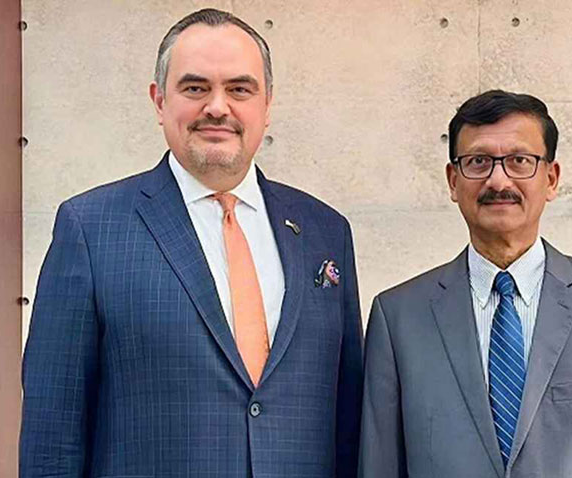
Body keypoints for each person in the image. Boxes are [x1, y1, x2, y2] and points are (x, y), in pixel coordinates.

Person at [20, 9, 363, 477]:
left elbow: (350, 423)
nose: (218, 107)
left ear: (267, 105)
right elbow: (51, 438)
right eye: (196, 88)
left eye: (239, 89)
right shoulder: (91, 229)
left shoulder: (325, 231)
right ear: (159, 101)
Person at [359, 90, 572, 478]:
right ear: (453, 181)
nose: (498, 180)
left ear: (551, 179)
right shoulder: (399, 317)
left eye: (519, 161)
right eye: (478, 162)